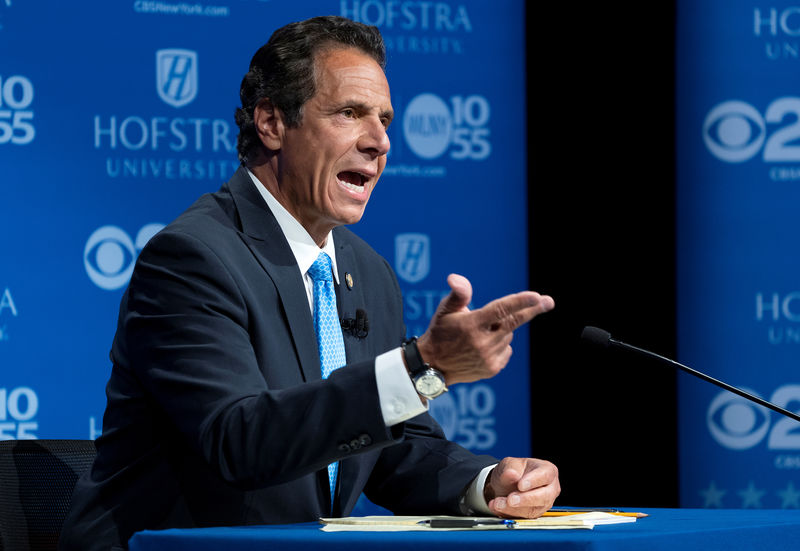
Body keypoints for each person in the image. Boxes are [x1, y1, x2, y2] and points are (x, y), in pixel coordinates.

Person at [59, 15, 559, 551]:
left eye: (385, 120)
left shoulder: (366, 272)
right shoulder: (192, 258)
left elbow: (390, 444)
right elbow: (239, 440)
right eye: (350, 113)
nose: (380, 142)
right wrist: (422, 365)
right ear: (272, 123)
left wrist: (487, 485)